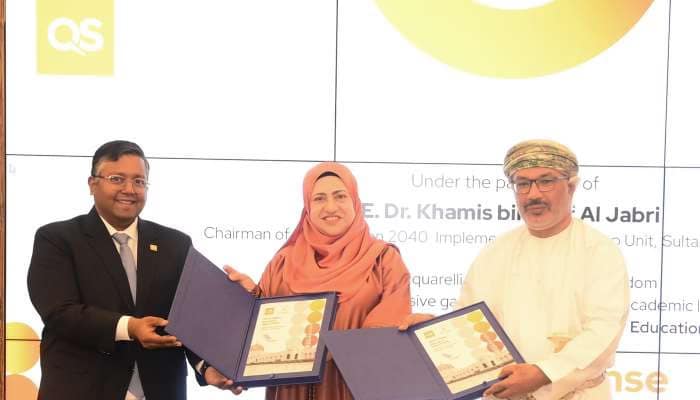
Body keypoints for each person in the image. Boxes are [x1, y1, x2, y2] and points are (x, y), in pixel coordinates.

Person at [27, 140, 238, 400]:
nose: (129, 189)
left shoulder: (176, 244)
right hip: (82, 389)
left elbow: (188, 319)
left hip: (161, 390)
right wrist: (130, 327)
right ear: (92, 184)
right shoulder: (57, 239)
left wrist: (206, 367)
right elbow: (59, 312)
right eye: (117, 179)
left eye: (139, 181)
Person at [455, 139, 630, 400]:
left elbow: (603, 331)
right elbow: (468, 322)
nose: (533, 194)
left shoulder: (599, 250)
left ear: (571, 187)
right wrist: (427, 334)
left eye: (546, 181)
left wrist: (544, 373)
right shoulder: (496, 251)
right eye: (522, 184)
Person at [226, 161, 411, 400]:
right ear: (307, 207)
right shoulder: (283, 262)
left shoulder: (383, 260)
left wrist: (323, 349)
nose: (330, 207)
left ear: (354, 201)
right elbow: (266, 331)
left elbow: (387, 336)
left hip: (354, 392)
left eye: (340, 196)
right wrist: (250, 299)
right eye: (319, 199)